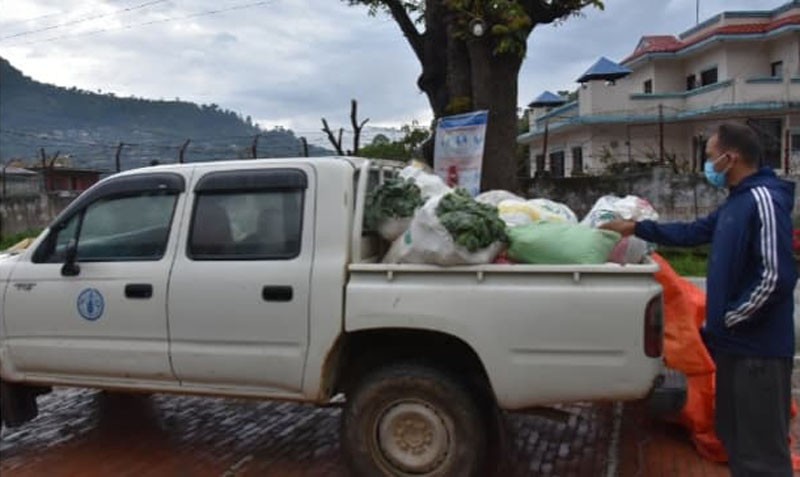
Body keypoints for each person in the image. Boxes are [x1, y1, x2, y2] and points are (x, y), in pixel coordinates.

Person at [601, 122, 797, 476]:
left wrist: (729, 320)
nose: (706, 165)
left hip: (759, 352)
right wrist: (636, 228)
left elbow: (775, 277)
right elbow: (694, 232)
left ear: (729, 157)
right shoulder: (735, 202)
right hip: (734, 347)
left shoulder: (763, 200)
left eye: (709, 157)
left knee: (762, 453)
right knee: (735, 440)